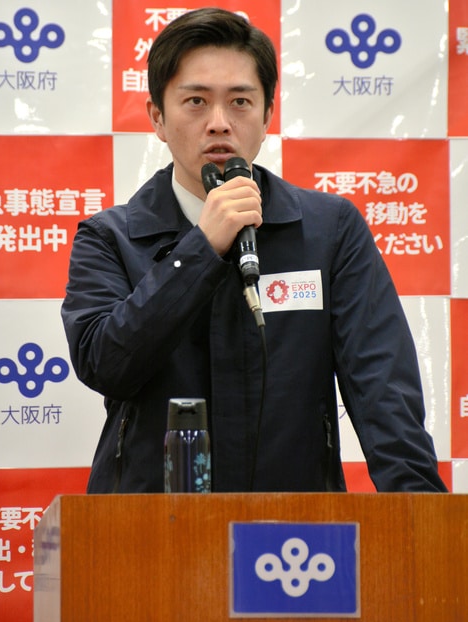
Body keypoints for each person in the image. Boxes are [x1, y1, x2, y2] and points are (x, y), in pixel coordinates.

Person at [61, 7, 447, 493]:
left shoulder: (328, 230)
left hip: (296, 525)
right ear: (157, 117)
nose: (219, 123)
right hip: (149, 522)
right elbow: (105, 366)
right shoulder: (110, 236)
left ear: (267, 116)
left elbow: (383, 387)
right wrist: (201, 248)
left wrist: (420, 512)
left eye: (240, 101)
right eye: (196, 101)